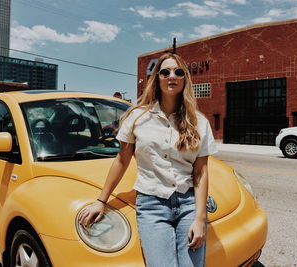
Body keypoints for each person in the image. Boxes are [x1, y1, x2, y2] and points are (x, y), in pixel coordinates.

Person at [78, 53, 217, 267]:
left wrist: (199, 219)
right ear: (157, 78)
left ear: (185, 79)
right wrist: (101, 201)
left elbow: (201, 172)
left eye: (178, 72)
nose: (172, 76)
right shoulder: (137, 117)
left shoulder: (198, 122)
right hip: (152, 205)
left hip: (189, 203)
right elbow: (121, 161)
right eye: (165, 72)